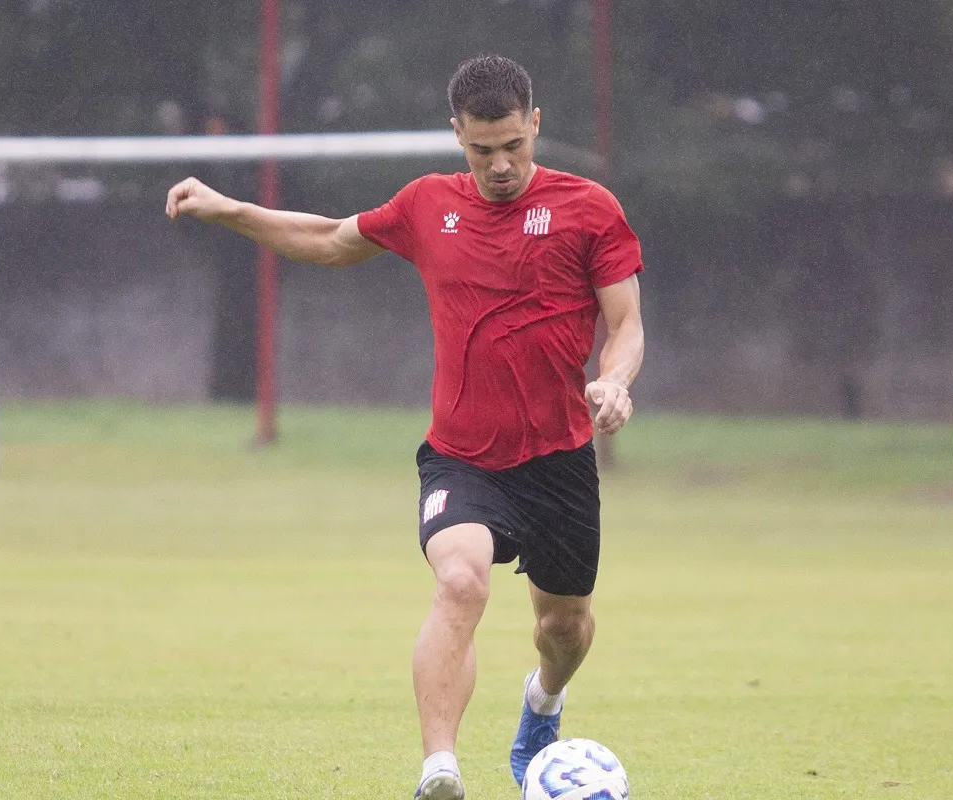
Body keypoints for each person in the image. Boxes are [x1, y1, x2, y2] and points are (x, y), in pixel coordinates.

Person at [165, 55, 644, 800]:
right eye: (483, 150)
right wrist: (231, 209)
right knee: (460, 582)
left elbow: (626, 323)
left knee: (565, 631)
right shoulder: (428, 205)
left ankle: (542, 705)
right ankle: (440, 770)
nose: (501, 165)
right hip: (463, 460)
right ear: (457, 135)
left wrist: (614, 382)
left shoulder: (589, 209)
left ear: (535, 125)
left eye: (513, 146)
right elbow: (328, 239)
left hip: (559, 461)